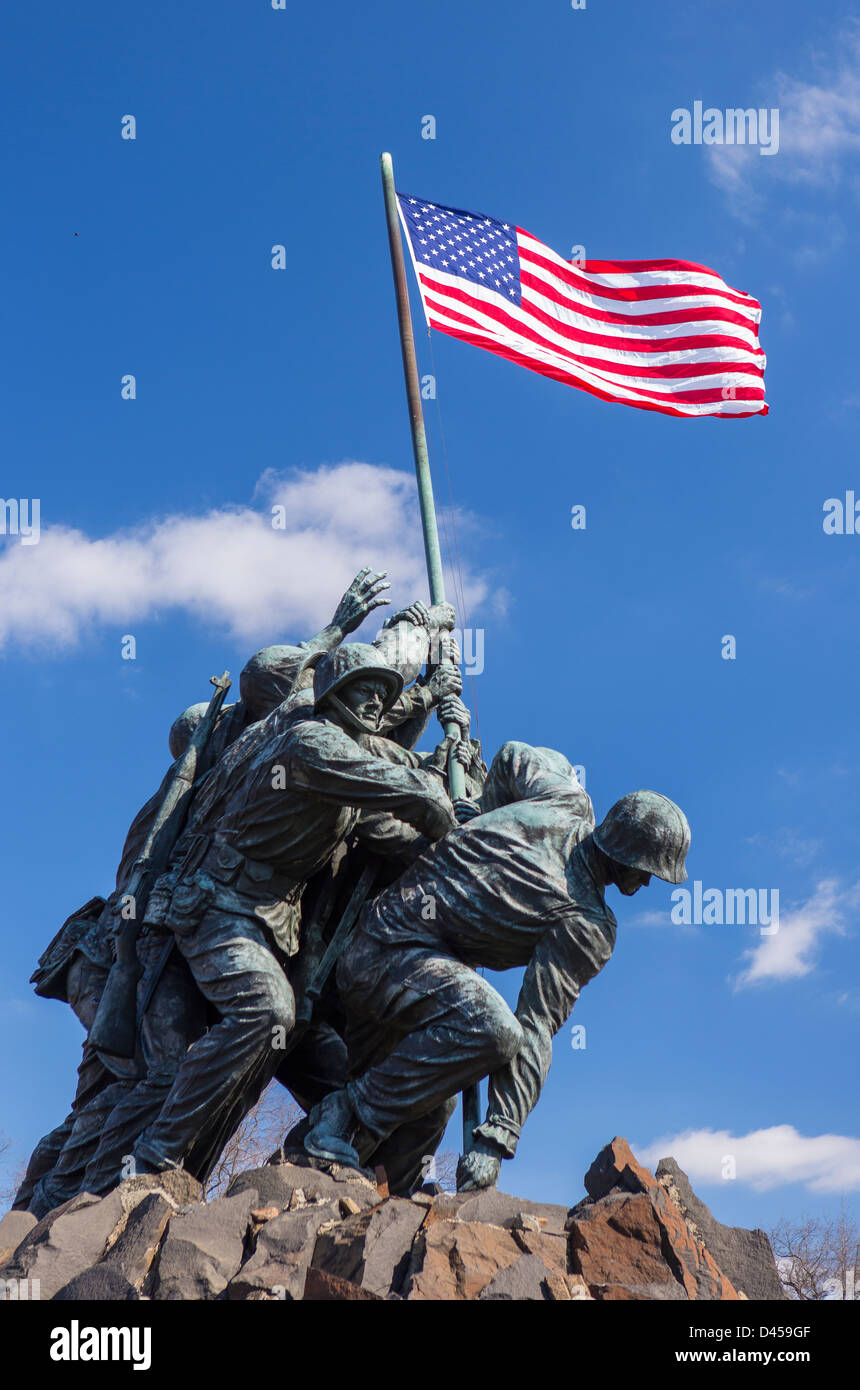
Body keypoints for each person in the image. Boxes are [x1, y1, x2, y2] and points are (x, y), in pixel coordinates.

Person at [128, 644, 456, 1181]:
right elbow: (402, 789)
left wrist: (458, 808)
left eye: (383, 692)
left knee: (336, 1070)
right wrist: (433, 794)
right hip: (220, 905)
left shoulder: (346, 768)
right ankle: (156, 1154)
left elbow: (393, 835)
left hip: (275, 932)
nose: (376, 700)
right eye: (363, 688)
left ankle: (359, 1170)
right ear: (331, 692)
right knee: (265, 1012)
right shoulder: (311, 742)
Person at [302, 742, 690, 1193]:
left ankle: (375, 1193)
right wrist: (497, 1137)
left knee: (432, 1109)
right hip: (385, 950)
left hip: (409, 977)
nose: (645, 883)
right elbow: (533, 1025)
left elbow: (510, 757)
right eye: (646, 870)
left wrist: (486, 811)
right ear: (624, 851)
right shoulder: (586, 923)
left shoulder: (563, 795)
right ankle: (342, 1112)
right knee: (492, 1029)